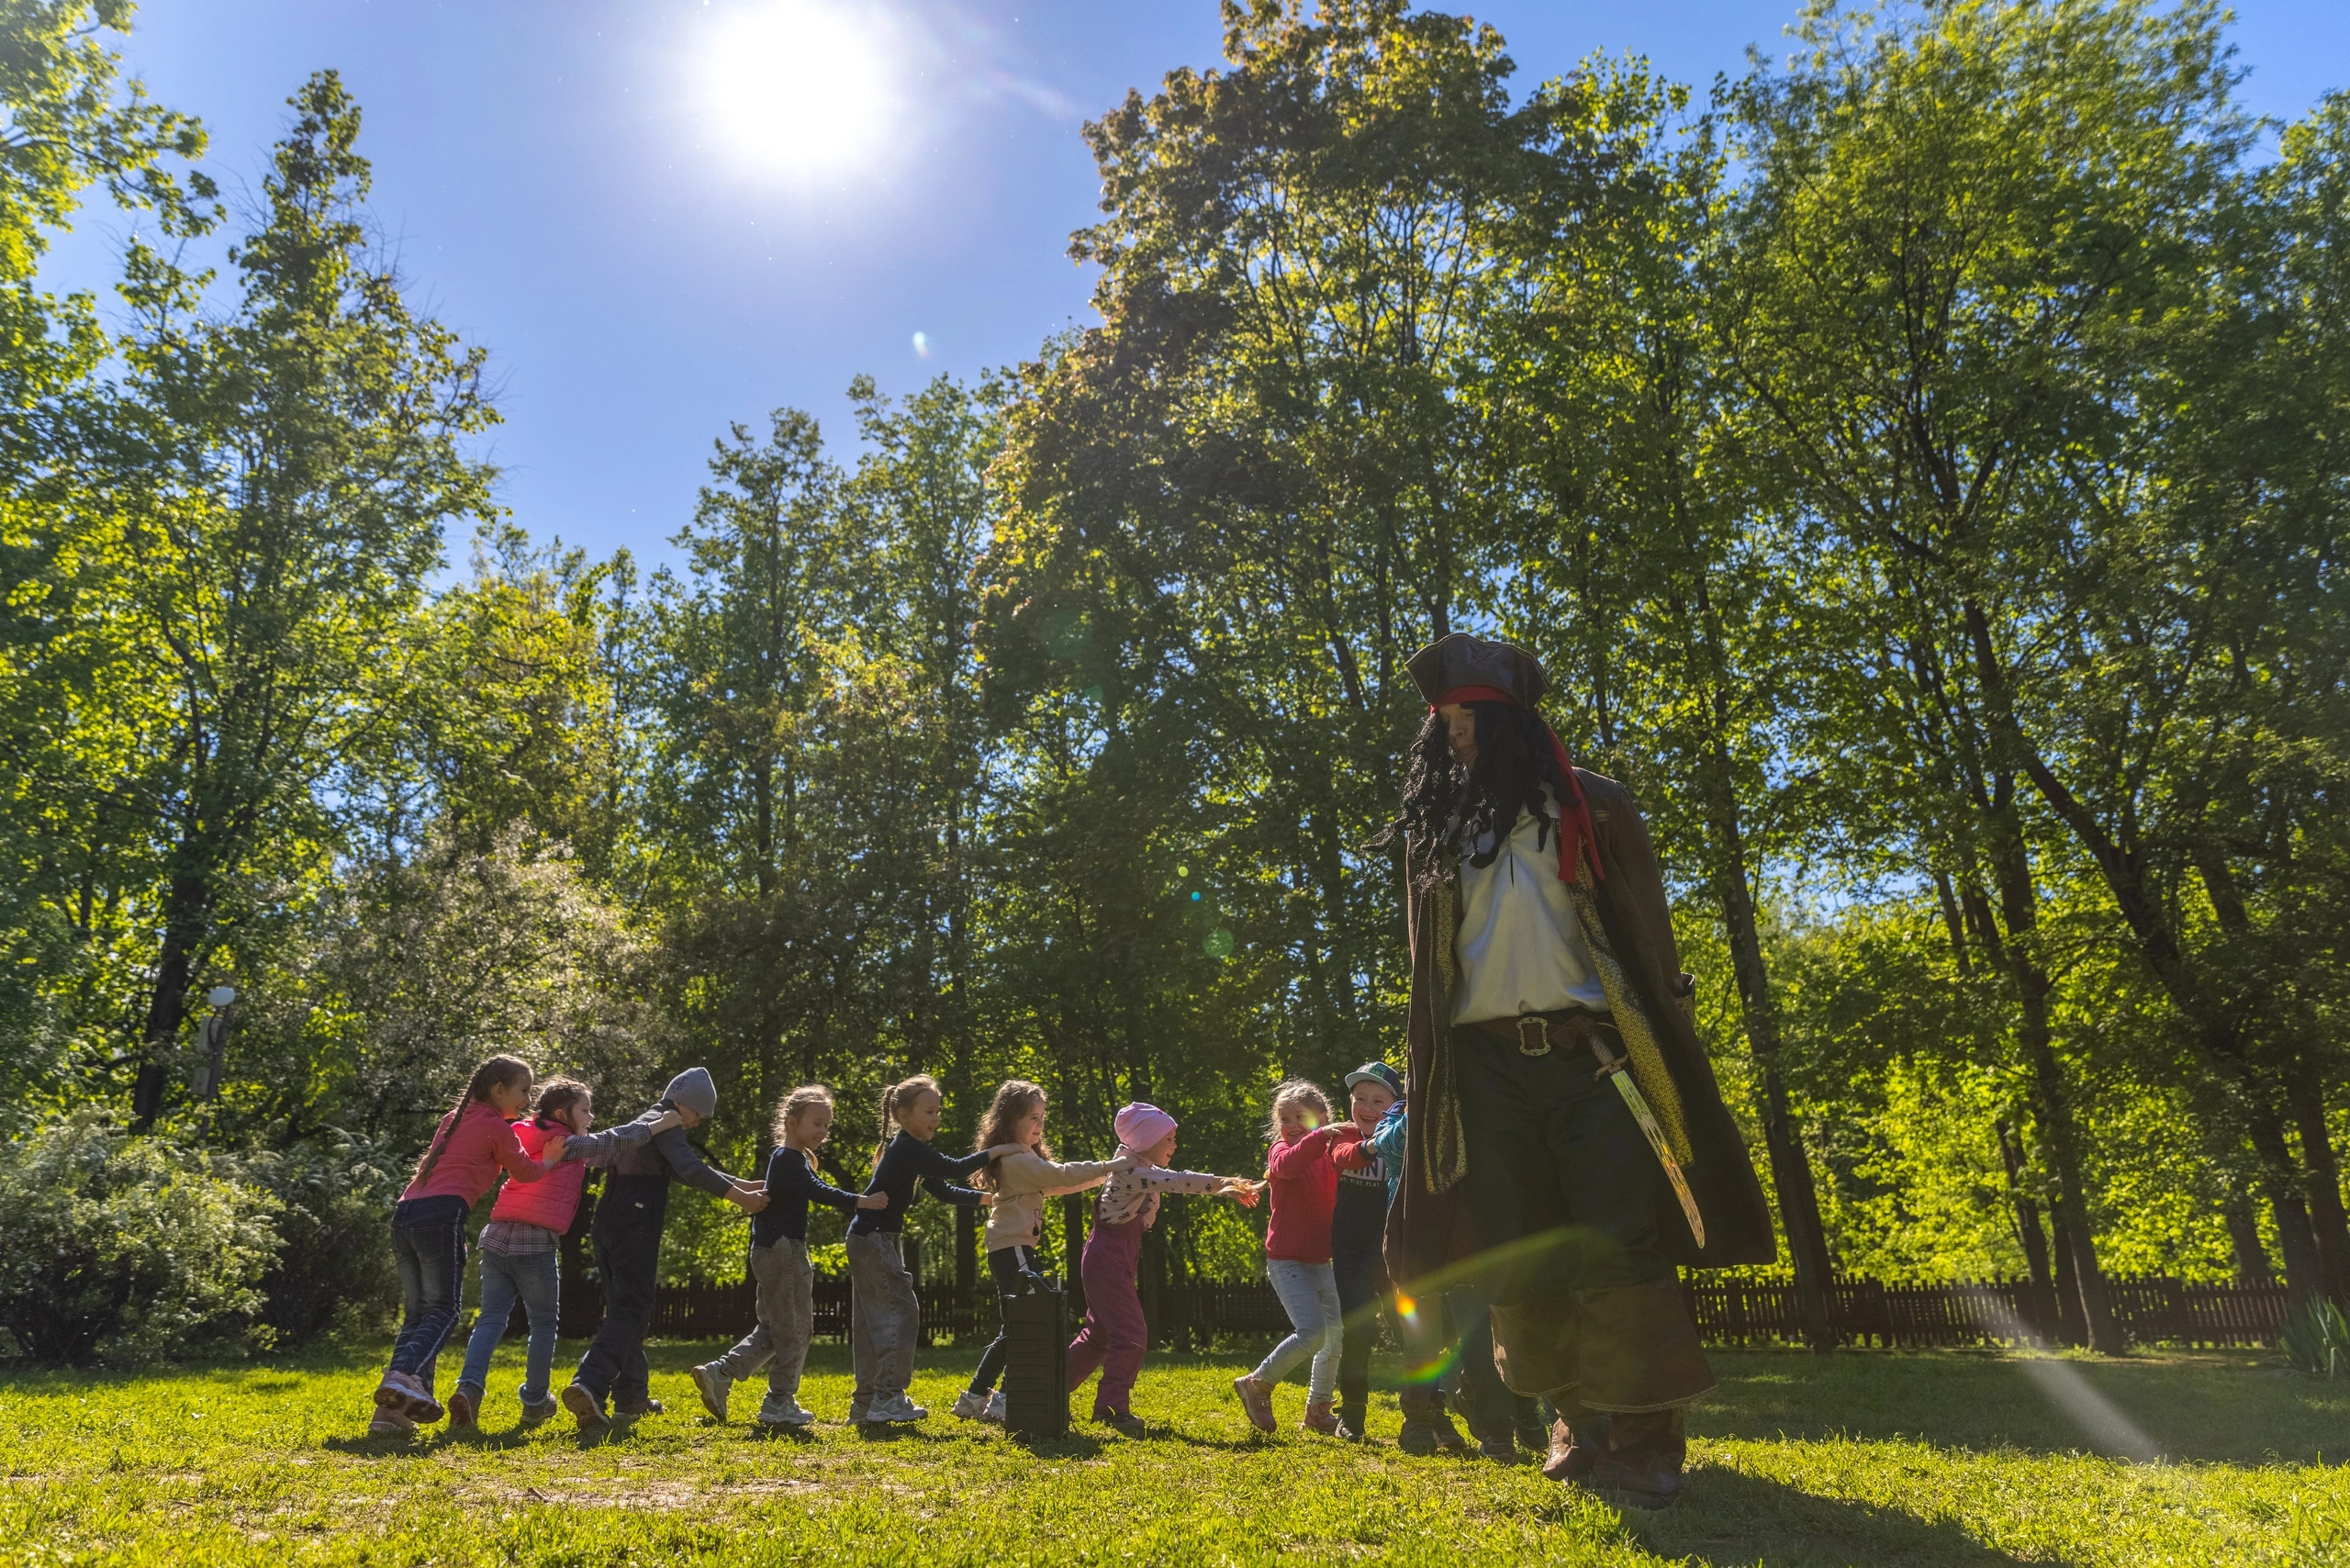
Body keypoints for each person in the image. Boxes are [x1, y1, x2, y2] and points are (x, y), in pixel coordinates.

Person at [1383, 633, 1774, 1507]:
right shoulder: (1434, 828)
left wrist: (1668, 1013)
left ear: (1508, 720)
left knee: (1614, 1238)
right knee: (1520, 1248)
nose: (1450, 733)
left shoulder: (1594, 807)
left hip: (1592, 1057)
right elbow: (1430, 966)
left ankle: (1645, 1435)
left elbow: (1647, 930)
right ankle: (1578, 1418)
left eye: (1466, 717)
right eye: (1441, 719)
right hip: (1482, 1067)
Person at [448, 1078, 681, 1429]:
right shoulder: (565, 1143)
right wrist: (662, 1122)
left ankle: (469, 1389)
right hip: (534, 1241)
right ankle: (536, 1401)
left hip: (496, 1236)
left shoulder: (525, 1135)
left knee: (491, 1320)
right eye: (585, 1110)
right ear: (562, 1113)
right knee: (542, 1324)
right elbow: (614, 1140)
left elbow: (604, 1153)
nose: (591, 1115)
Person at [561, 1067, 769, 1433]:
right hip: (636, 1218)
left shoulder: (649, 1121)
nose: (700, 1120)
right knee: (633, 1307)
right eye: (700, 1112)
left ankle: (632, 1397)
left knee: (627, 1307)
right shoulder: (667, 1120)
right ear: (684, 1104)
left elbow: (677, 1169)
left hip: (610, 1217)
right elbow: (689, 1168)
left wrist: (741, 1182)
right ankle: (590, 1383)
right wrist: (741, 1198)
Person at [369, 1055, 569, 1435]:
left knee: (417, 1316)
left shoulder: (453, 1118)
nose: (527, 1100)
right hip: (442, 1214)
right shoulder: (497, 1127)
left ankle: (392, 1413)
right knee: (444, 1311)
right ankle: (403, 1376)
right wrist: (552, 1158)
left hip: (406, 1212)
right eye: (523, 1091)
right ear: (499, 1091)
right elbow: (525, 1172)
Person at [689, 1085, 889, 1427]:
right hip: (784, 1249)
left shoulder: (787, 1159)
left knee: (774, 1327)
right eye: (816, 1123)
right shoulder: (788, 1158)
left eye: (827, 1125)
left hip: (770, 1249)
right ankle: (779, 1401)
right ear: (792, 1122)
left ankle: (720, 1374)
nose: (823, 1131)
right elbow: (817, 1191)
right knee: (797, 1329)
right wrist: (862, 1200)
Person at [1067, 1102, 1259, 1435]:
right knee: (1130, 1334)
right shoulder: (1132, 1171)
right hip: (1107, 1257)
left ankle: (1047, 1392)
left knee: (1099, 1335)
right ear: (1146, 1140)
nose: (1174, 1145)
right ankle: (1112, 1409)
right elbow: (1175, 1181)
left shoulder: (1139, 1166)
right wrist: (1221, 1183)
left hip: (1114, 1256)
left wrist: (1223, 1183)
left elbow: (1169, 1179)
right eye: (1168, 1138)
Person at [848, 1074, 1025, 1425]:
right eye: (929, 1111)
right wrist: (998, 1150)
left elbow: (943, 1189)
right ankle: (888, 1397)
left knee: (872, 1322)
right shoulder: (908, 1148)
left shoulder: (907, 1151)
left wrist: (988, 1199)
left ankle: (866, 1403)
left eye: (937, 1111)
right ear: (902, 1114)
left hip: (871, 1238)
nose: (936, 1118)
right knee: (902, 1313)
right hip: (875, 1239)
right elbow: (953, 1168)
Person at [955, 1080, 1131, 1422]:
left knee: (1015, 1325)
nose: (1040, 1125)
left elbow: (1059, 1184)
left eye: (1042, 1117)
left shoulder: (1023, 1158)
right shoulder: (1017, 1160)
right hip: (1013, 1249)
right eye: (1033, 1118)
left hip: (1013, 1248)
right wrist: (1110, 1167)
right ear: (1009, 1122)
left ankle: (975, 1397)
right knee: (1029, 1321)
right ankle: (1005, 1398)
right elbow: (1060, 1175)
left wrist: (1104, 1177)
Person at [1231, 1080, 1345, 1436]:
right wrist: (1318, 1136)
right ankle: (1258, 1383)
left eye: (1302, 1116)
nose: (1292, 1124)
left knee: (1335, 1335)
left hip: (1319, 1260)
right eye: (1285, 1118)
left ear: (1322, 1117)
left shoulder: (1328, 1155)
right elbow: (1288, 1166)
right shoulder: (1280, 1150)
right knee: (1311, 1333)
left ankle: (1318, 1409)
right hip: (1287, 1261)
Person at [1326, 1061, 1401, 1443]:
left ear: (1396, 1103)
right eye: (1360, 1099)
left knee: (1411, 1330)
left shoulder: (1406, 1139)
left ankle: (1427, 1411)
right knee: (1359, 1330)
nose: (1367, 1107)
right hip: (1352, 1253)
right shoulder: (1341, 1136)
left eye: (1378, 1100)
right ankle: (1352, 1415)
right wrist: (1370, 1145)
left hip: (1397, 1254)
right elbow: (1343, 1158)